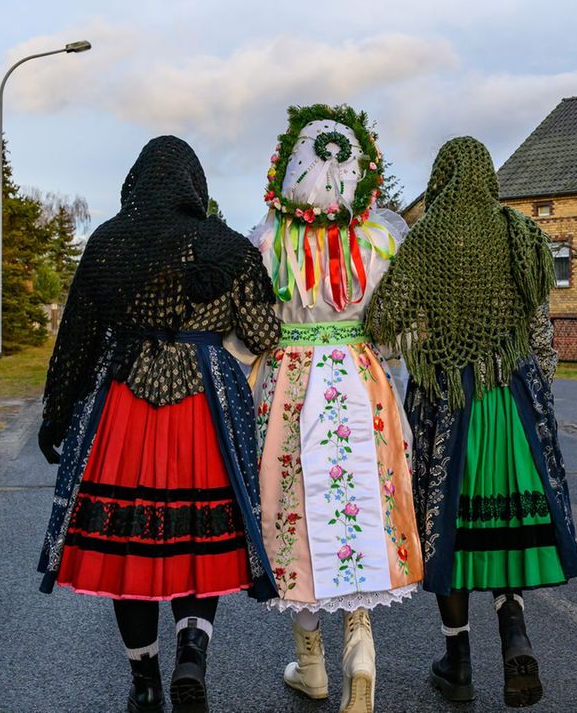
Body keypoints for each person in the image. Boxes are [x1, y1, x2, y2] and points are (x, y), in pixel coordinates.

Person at [35, 136, 279, 713]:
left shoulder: (109, 242)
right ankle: (192, 654)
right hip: (204, 405)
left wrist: (57, 414)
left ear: (137, 181)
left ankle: (144, 680)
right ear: (195, 184)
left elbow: (78, 337)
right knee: (199, 537)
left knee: (130, 548)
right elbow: (263, 335)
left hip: (124, 403)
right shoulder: (229, 246)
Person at [367, 136, 577, 708]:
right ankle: (514, 635)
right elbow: (541, 332)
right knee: (506, 525)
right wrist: (540, 396)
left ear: (440, 176)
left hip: (448, 400)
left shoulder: (425, 241)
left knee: (452, 528)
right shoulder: (520, 234)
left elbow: (384, 325)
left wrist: (425, 339)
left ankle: (457, 662)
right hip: (509, 398)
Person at [248, 104, 424, 713]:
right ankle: (361, 644)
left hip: (290, 384)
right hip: (358, 378)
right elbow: (399, 331)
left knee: (294, 508)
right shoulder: (379, 242)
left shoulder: (270, 241)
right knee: (359, 505)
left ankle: (312, 663)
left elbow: (252, 331)